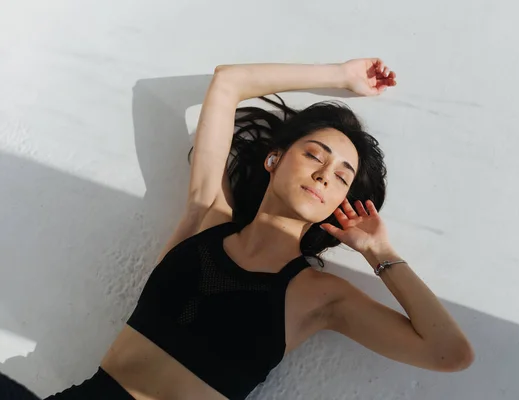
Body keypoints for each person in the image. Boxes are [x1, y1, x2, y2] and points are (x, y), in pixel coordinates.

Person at [0, 59, 474, 400]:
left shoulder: (322, 298)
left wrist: (378, 252)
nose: (326, 173)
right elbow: (229, 82)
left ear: (337, 202)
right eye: (314, 154)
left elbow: (449, 354)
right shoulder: (207, 214)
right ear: (274, 160)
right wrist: (341, 77)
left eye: (342, 175)